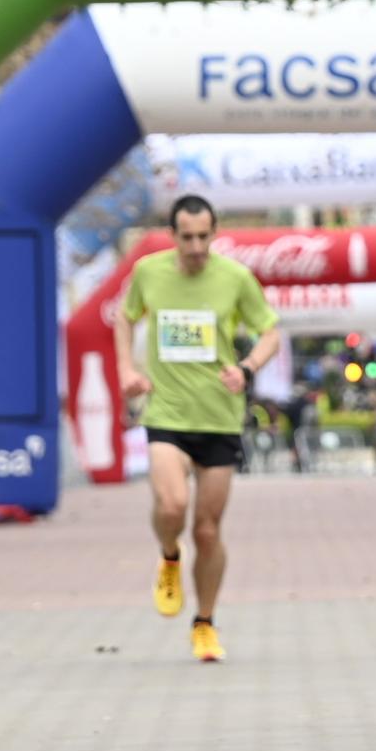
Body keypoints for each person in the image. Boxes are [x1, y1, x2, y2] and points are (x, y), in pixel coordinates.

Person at [116, 196, 283, 663]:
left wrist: (247, 369)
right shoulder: (149, 272)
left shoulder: (235, 279)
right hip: (166, 413)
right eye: (185, 237)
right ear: (173, 235)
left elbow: (271, 331)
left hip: (219, 418)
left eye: (202, 236)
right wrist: (127, 370)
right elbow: (123, 319)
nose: (194, 246)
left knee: (208, 531)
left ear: (213, 233)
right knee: (172, 505)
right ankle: (169, 554)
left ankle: (204, 624)